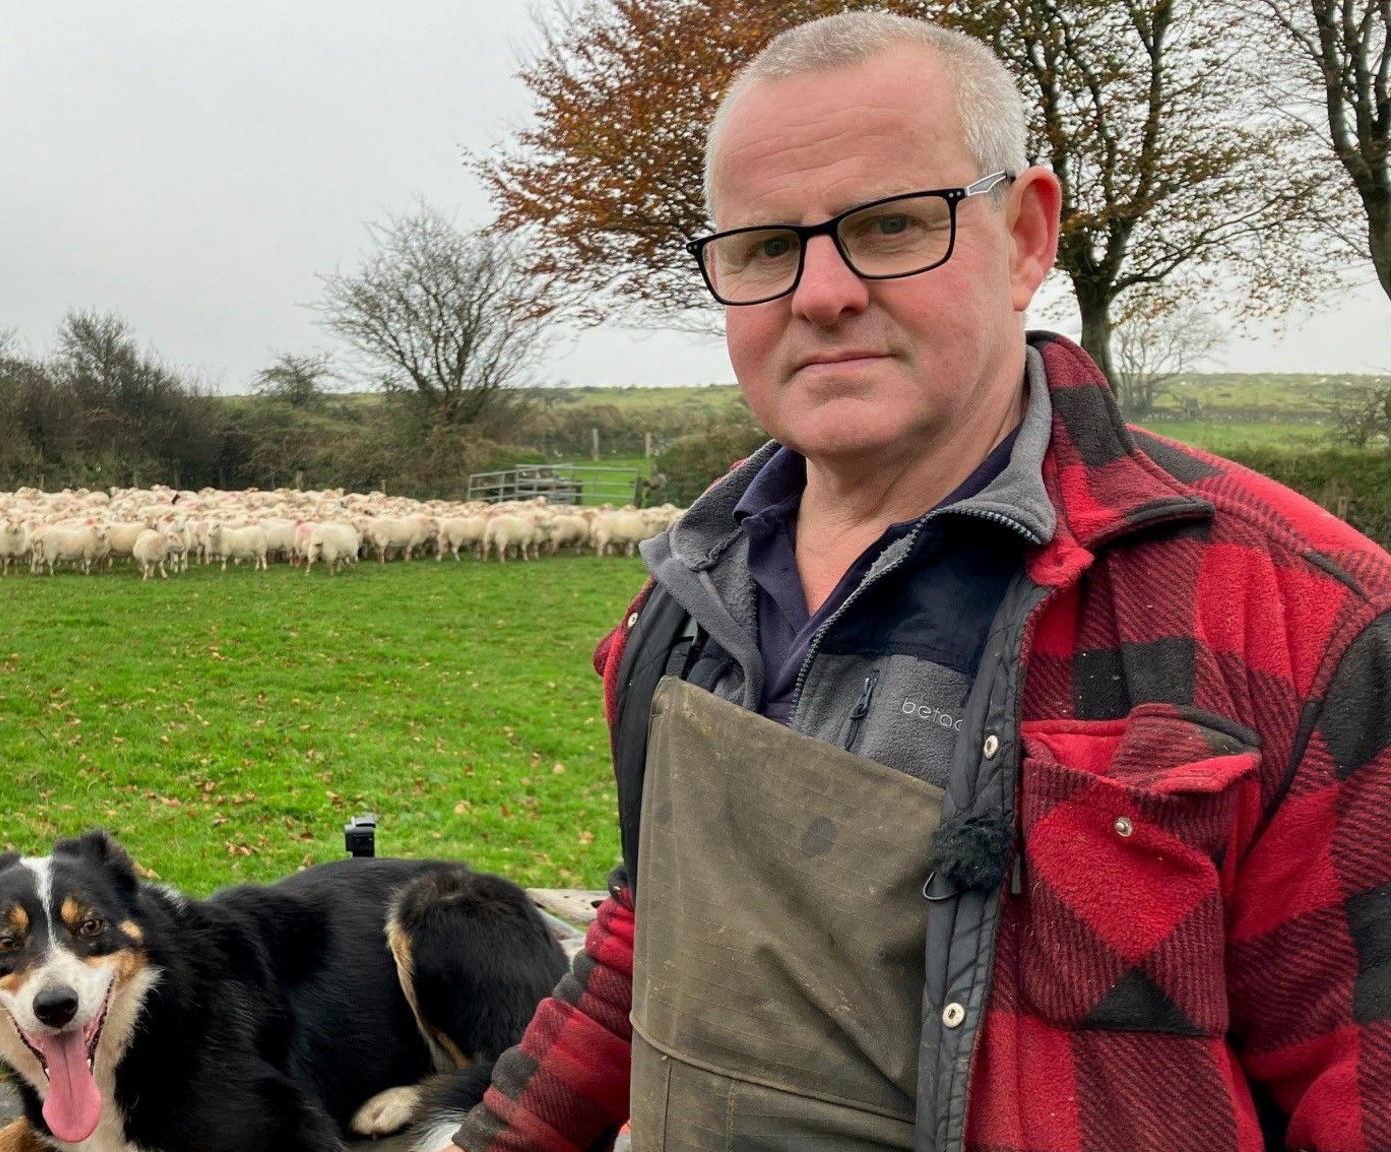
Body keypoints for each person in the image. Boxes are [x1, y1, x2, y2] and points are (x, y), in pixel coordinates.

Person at [437, 11, 1391, 1152]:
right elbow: (654, 935)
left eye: (891, 226)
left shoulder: (1298, 622)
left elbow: (1362, 1083)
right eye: (761, 248)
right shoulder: (676, 610)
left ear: (1026, 235)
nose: (820, 292)